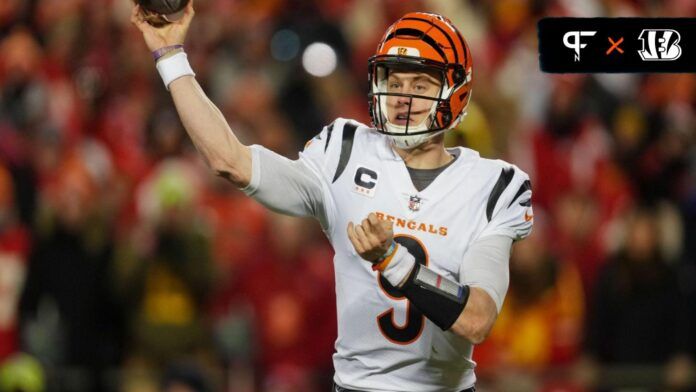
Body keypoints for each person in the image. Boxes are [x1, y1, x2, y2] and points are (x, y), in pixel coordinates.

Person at [131, 4, 534, 391]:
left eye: (420, 84)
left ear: (455, 92)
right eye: (394, 82)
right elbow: (230, 160)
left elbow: (478, 318)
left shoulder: (493, 185)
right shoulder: (345, 150)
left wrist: (394, 262)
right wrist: (170, 56)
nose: (402, 97)